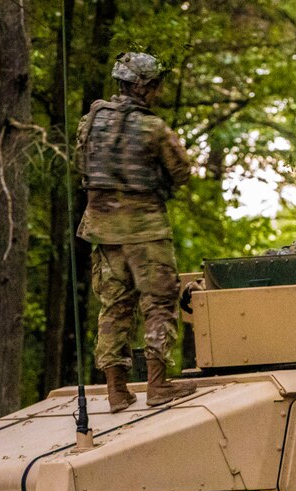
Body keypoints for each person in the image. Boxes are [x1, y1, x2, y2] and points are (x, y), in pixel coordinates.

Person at [76, 51, 195, 413]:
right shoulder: (153, 128)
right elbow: (182, 171)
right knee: (158, 304)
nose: (159, 90)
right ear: (144, 86)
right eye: (156, 83)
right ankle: (157, 385)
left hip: (102, 231)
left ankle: (117, 391)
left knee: (113, 308)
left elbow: (81, 164)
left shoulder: (90, 122)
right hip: (147, 232)